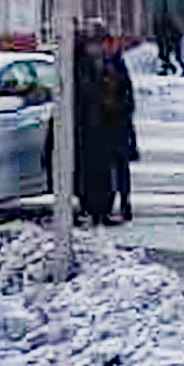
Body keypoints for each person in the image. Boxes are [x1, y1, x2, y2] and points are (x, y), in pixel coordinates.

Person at [74, 24, 119, 224]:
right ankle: (90, 208)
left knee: (104, 172)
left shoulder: (107, 65)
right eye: (94, 45)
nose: (98, 49)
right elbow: (82, 96)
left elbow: (120, 92)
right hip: (85, 128)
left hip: (104, 127)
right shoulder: (79, 67)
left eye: (100, 45)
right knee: (88, 172)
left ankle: (102, 210)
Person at [100, 27, 138, 222]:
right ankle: (109, 204)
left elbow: (129, 97)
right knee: (107, 169)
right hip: (105, 125)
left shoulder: (118, 65)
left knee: (121, 167)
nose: (107, 47)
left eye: (109, 44)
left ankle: (125, 202)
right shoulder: (97, 65)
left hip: (118, 125)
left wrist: (119, 108)